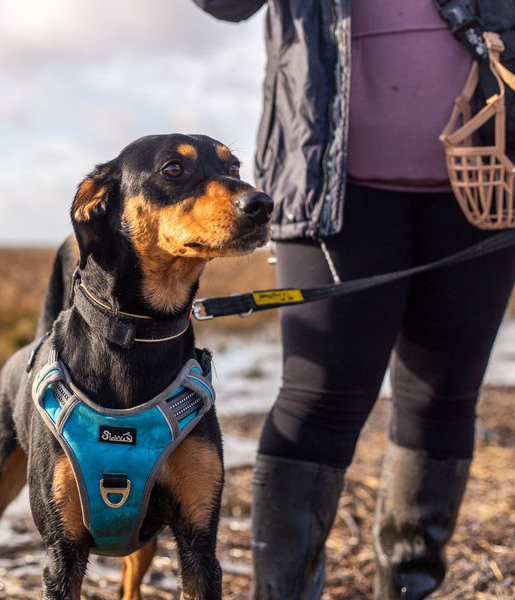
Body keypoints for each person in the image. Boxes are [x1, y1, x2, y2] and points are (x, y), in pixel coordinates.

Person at [193, 1, 515, 598]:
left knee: (444, 399)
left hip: (491, 181)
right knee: (316, 402)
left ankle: (410, 587)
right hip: (327, 187)